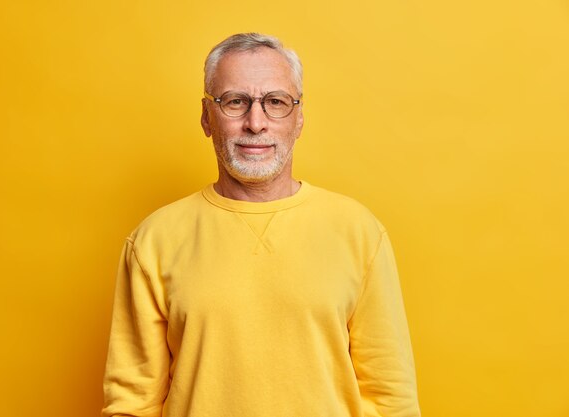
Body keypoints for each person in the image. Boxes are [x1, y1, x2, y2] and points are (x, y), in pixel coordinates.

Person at [102, 33, 421, 417]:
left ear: (299, 118)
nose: (256, 123)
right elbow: (132, 402)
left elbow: (391, 398)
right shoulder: (153, 241)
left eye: (275, 103)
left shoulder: (359, 232)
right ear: (207, 116)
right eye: (235, 102)